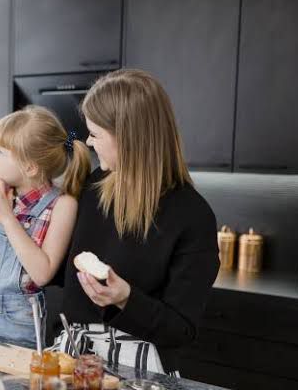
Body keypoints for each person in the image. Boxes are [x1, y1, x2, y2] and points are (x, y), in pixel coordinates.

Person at [57, 69, 219, 375]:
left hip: (139, 371)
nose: (89, 142)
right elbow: (63, 280)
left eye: (95, 133)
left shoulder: (193, 217)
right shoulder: (94, 188)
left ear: (128, 137)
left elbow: (180, 330)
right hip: (74, 358)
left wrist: (125, 299)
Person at [0, 106, 90, 344]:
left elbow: (42, 272)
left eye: (1, 152)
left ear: (30, 167)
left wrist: (6, 217)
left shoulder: (62, 205)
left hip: (17, 322)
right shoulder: (1, 189)